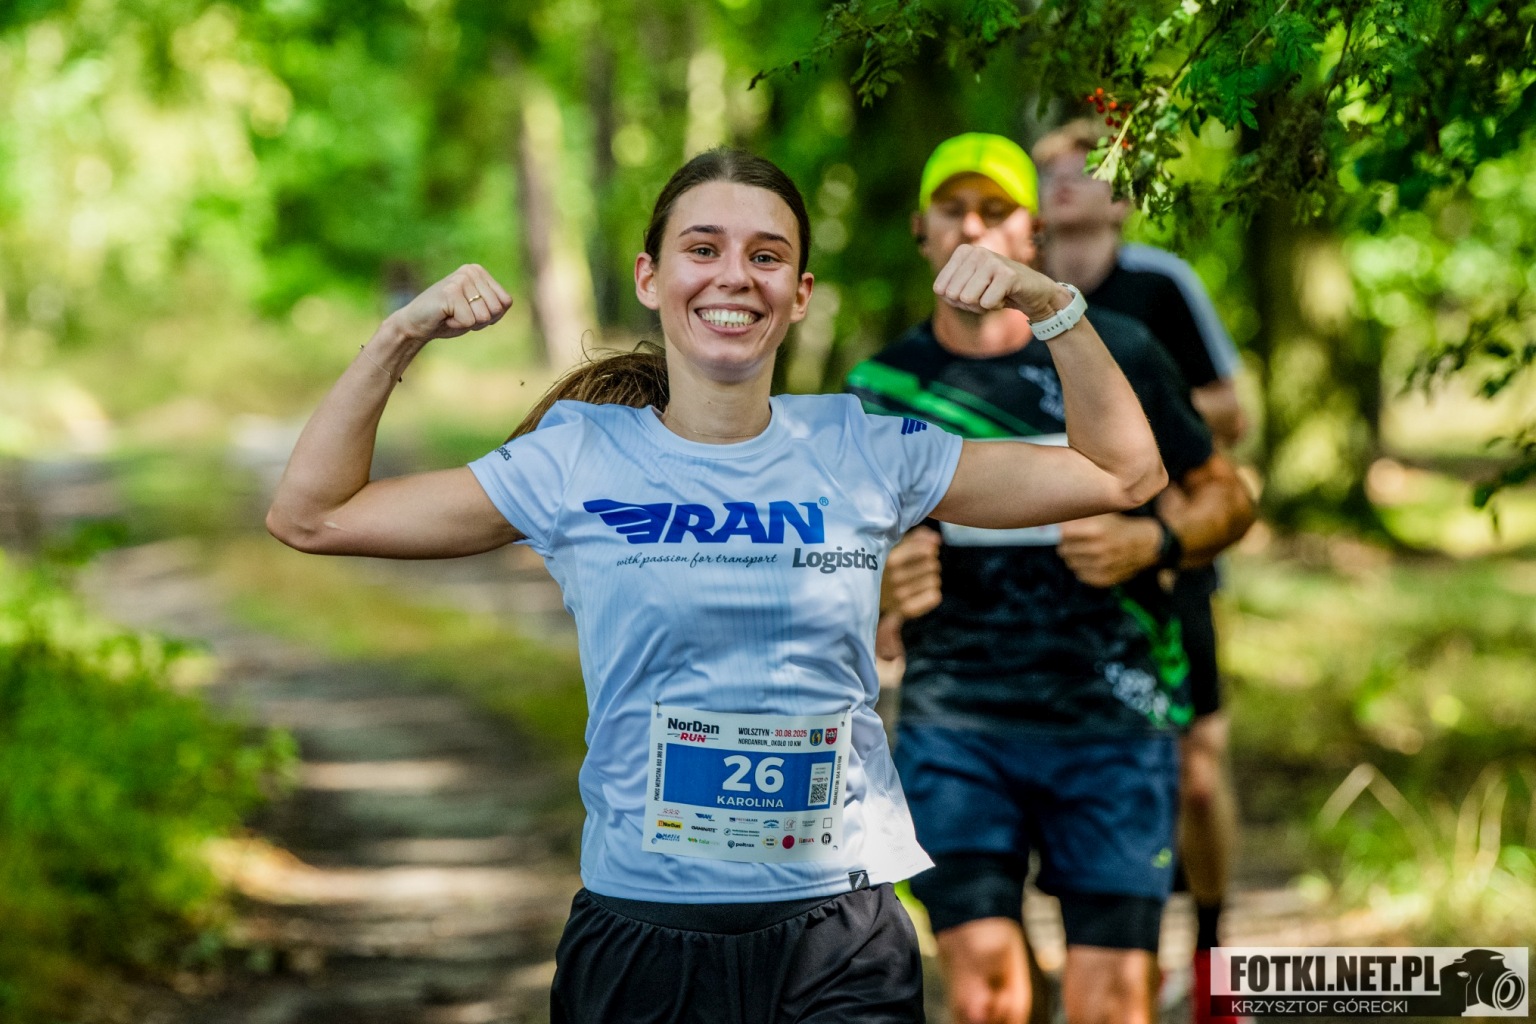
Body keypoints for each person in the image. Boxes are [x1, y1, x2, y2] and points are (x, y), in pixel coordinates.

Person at [265, 147, 1169, 1023]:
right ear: (650, 277)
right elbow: (312, 515)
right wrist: (401, 334)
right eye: (703, 248)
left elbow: (1124, 473)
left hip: (840, 937)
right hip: (642, 937)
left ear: (799, 294)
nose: (734, 275)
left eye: (766, 256)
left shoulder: (861, 448)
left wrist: (1050, 304)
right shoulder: (574, 459)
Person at [846, 133, 1254, 1024]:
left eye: (996, 211)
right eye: (953, 209)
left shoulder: (1120, 355)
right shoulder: (877, 388)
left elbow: (1230, 496)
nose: (973, 228)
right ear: (921, 229)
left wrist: (1153, 541)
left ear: (1032, 234)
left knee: (1109, 1007)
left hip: (1111, 720)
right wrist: (877, 585)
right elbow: (828, 570)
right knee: (990, 1000)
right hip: (956, 724)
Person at [1032, 120, 1253, 1024]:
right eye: (1047, 169)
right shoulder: (1007, 289)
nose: (1062, 181)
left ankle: (1213, 956)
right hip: (1057, 572)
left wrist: (1125, 405)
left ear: (1122, 198)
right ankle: (1122, 959)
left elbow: (1230, 412)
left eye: (1084, 168)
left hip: (1166, 556)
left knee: (1195, 773)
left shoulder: (1161, 286)